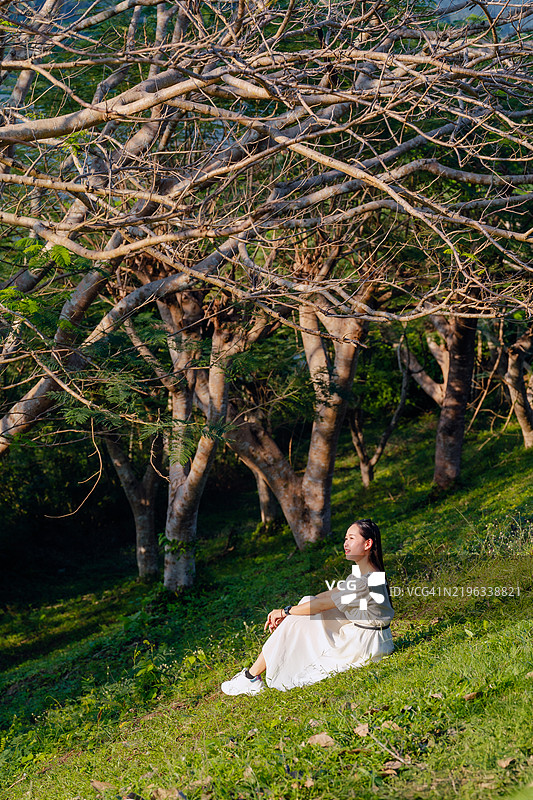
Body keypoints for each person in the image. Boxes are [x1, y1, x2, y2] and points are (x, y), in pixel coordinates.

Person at [221, 519, 394, 695]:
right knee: (305, 603)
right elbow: (332, 594)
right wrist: (295, 609)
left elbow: (321, 605)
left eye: (351, 538)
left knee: (296, 619)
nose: (345, 543)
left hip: (364, 646)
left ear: (368, 543)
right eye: (345, 538)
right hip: (375, 637)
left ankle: (251, 677)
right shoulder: (368, 573)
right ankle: (252, 676)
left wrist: (286, 612)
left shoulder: (364, 581)